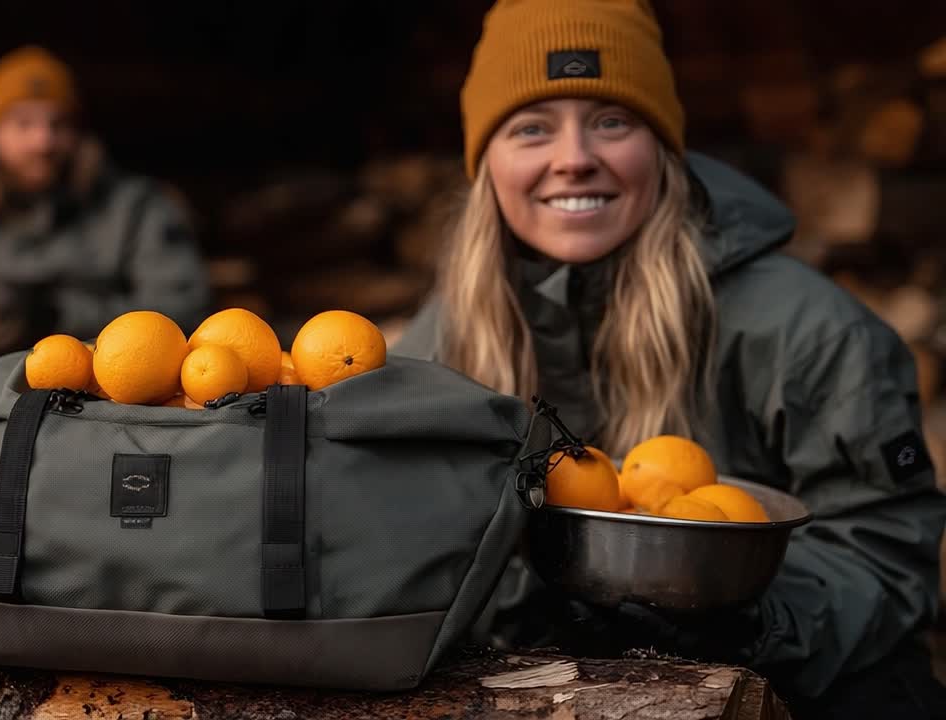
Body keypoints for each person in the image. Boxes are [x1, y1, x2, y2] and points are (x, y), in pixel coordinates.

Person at [392, 1, 946, 716]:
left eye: (611, 121)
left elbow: (888, 551)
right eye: (532, 128)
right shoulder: (444, 338)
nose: (573, 157)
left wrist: (751, 617)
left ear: (661, 144)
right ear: (486, 160)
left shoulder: (805, 329)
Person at [0, 46, 210, 381]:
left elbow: (186, 309)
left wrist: (58, 315)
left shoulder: (135, 208)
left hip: (105, 391)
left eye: (57, 124)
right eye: (23, 124)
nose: (43, 141)